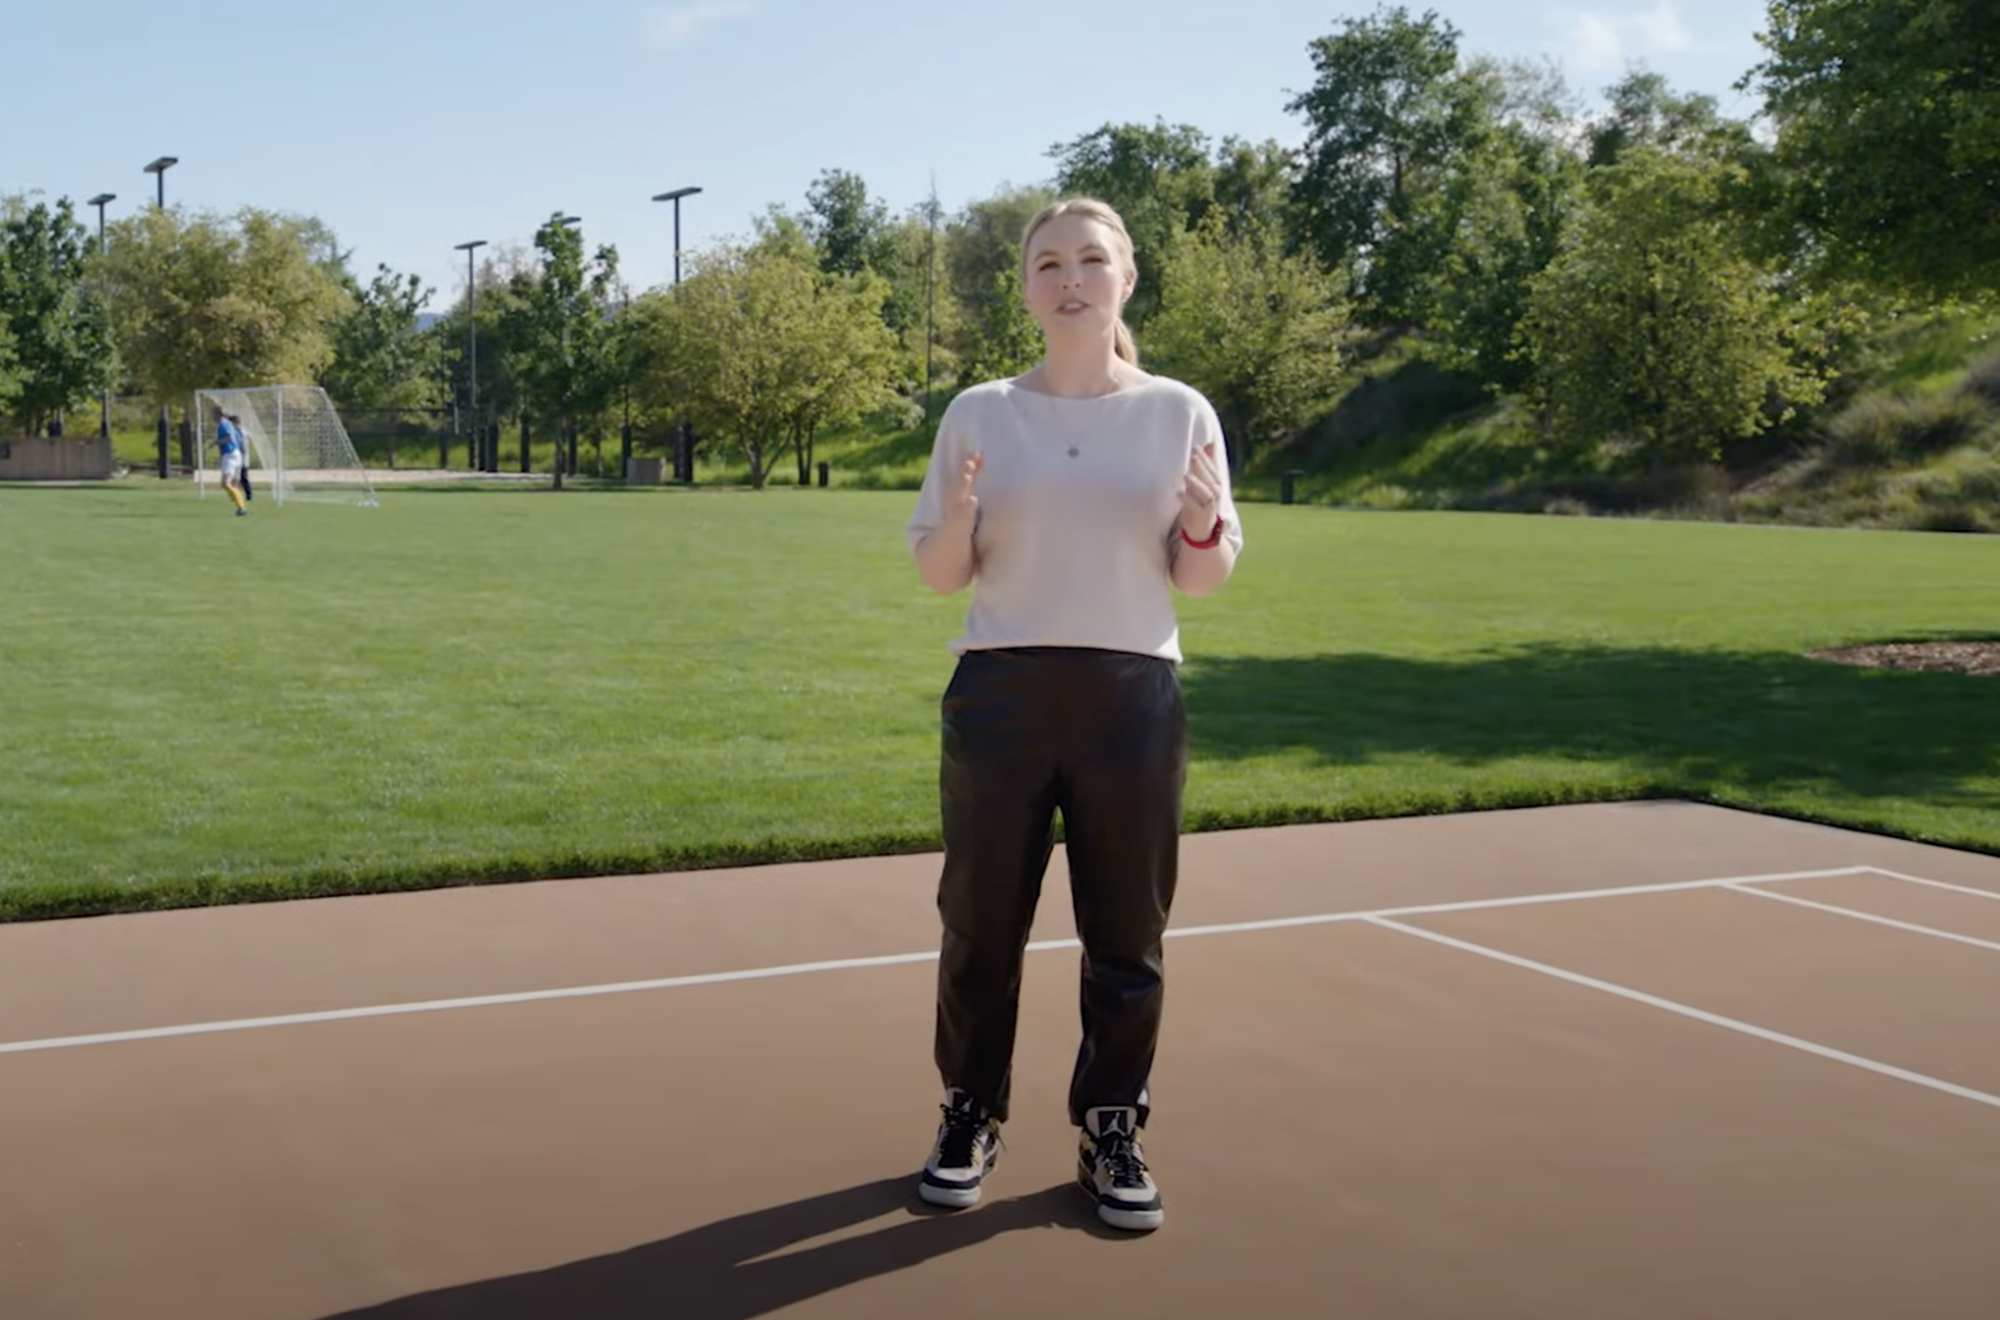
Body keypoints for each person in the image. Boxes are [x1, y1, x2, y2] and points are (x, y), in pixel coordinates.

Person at [903, 197, 1243, 1233]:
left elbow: (1206, 579)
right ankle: (968, 1112)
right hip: (1000, 697)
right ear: (1025, 287)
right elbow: (936, 574)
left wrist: (1197, 525)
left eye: (1089, 261)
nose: (1068, 278)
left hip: (1130, 697)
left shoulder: (1178, 412)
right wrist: (957, 516)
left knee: (1125, 934)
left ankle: (1110, 1127)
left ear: (1123, 279)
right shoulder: (979, 411)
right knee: (977, 927)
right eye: (1047, 263)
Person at [216, 413, 249, 516]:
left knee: (226, 483)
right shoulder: (236, 431)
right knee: (234, 484)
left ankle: (241, 507)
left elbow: (229, 439)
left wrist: (217, 442)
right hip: (237, 456)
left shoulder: (227, 427)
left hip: (232, 456)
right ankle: (240, 505)